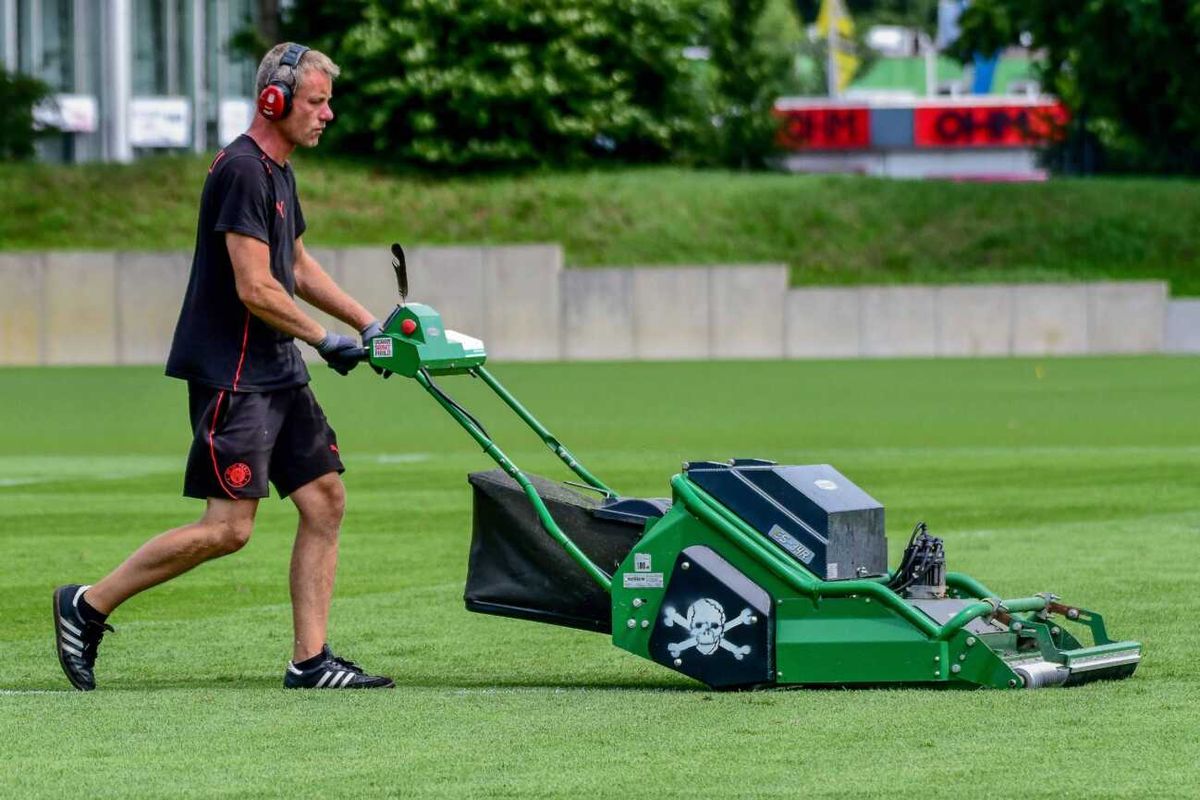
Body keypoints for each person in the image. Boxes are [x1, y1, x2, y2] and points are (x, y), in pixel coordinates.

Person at [52, 43, 393, 691]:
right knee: (228, 529)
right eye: (317, 102)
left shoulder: (279, 171)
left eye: (327, 101)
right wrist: (328, 341)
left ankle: (311, 660)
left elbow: (293, 265)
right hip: (234, 374)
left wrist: (365, 322)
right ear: (275, 100)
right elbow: (255, 287)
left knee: (324, 499)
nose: (328, 115)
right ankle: (87, 603)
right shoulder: (241, 170)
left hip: (276, 368)